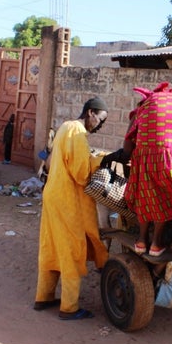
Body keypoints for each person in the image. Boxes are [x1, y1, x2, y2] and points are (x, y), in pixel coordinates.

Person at [103, 82, 172, 259]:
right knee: (163, 198)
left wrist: (127, 157)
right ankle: (156, 243)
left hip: (146, 160)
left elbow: (127, 146)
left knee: (146, 196)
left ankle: (141, 240)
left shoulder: (145, 106)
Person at [33, 97, 110, 320]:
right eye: (101, 120)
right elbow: (81, 174)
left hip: (53, 196)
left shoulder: (66, 127)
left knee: (51, 247)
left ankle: (44, 296)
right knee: (71, 251)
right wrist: (102, 161)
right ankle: (69, 307)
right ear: (91, 113)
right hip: (67, 201)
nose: (101, 125)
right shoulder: (77, 133)